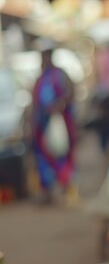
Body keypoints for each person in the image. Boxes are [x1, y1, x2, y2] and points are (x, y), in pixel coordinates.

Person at [30, 40, 77, 204]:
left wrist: (58, 107)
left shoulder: (60, 75)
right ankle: (47, 192)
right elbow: (34, 103)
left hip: (60, 123)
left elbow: (70, 94)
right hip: (43, 126)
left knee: (62, 155)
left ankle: (65, 187)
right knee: (44, 158)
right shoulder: (40, 79)